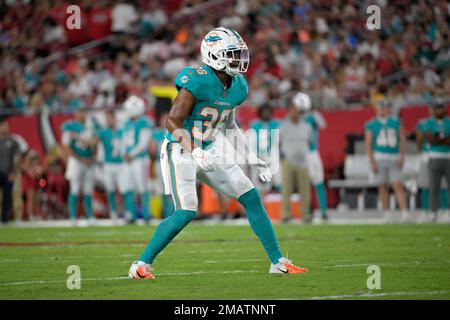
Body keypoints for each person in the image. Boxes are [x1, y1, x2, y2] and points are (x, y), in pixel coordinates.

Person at [128, 27, 308, 280]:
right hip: (180, 149)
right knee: (186, 212)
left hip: (210, 148)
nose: (239, 59)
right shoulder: (198, 79)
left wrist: (252, 158)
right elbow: (172, 121)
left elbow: (230, 125)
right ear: (214, 55)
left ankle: (277, 261)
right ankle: (140, 264)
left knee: (251, 196)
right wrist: (194, 151)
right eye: (233, 54)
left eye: (239, 54)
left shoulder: (238, 85)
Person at [365, 99, 408, 222]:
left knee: (397, 184)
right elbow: (368, 145)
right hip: (379, 158)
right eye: (381, 107)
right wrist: (372, 162)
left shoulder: (396, 122)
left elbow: (402, 139)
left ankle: (404, 212)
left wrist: (402, 156)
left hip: (393, 158)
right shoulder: (371, 124)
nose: (383, 110)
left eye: (385, 107)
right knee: (382, 186)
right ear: (377, 109)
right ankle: (386, 213)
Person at [93, 110, 136, 222]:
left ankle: (128, 212)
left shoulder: (122, 131)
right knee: (110, 189)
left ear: (114, 118)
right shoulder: (103, 132)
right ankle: (113, 212)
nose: (109, 120)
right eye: (107, 118)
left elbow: (128, 144)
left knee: (124, 189)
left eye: (110, 118)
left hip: (121, 164)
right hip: (108, 164)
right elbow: (93, 142)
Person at [294, 92, 329, 221]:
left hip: (312, 152)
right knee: (304, 184)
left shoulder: (312, 116)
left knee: (318, 182)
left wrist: (314, 113)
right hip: (301, 154)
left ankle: (323, 211)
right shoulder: (294, 117)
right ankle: (307, 212)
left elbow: (323, 125)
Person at [280, 95, 313, 223]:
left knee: (305, 190)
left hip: (303, 162)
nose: (295, 112)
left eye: (297, 110)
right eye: (293, 109)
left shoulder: (307, 126)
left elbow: (309, 142)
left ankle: (305, 214)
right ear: (289, 111)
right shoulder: (283, 126)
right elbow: (278, 143)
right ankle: (286, 215)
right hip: (288, 161)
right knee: (286, 189)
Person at [61, 108, 97, 224]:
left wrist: (92, 157)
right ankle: (72, 216)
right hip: (76, 161)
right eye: (80, 112)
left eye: (84, 112)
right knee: (75, 189)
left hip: (89, 161)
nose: (82, 114)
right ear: (76, 114)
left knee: (88, 190)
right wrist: (80, 158)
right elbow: (66, 146)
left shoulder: (91, 125)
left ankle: (90, 216)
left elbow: (96, 142)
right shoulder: (70, 126)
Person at [121, 95, 154, 223]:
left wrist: (131, 154)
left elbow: (143, 143)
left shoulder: (144, 122)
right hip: (128, 159)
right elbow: (124, 141)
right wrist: (124, 153)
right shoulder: (127, 123)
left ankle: (146, 214)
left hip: (139, 159)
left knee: (142, 187)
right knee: (128, 187)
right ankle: (131, 214)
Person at [423, 99, 450, 221]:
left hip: (448, 157)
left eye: (441, 108)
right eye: (437, 108)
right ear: (434, 110)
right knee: (434, 187)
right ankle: (434, 211)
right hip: (434, 157)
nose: (439, 110)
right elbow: (429, 138)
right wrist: (442, 139)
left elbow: (446, 141)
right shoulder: (429, 122)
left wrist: (438, 138)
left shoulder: (449, 122)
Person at [249, 105, 280, 194]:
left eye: (268, 112)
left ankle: (274, 190)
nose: (266, 114)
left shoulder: (276, 124)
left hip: (271, 155)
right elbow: (252, 141)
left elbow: (276, 142)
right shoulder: (255, 124)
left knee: (273, 175)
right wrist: (256, 156)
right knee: (256, 179)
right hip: (258, 155)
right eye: (264, 112)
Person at [0, 118, 22, 224]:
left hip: (8, 173)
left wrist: (13, 172)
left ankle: (4, 219)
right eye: (3, 125)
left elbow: (17, 158)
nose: (5, 128)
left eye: (6, 126)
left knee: (7, 196)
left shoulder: (13, 142)